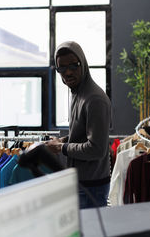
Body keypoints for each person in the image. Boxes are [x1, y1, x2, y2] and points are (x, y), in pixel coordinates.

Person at [45, 41, 112, 209]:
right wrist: (63, 141)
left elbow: (96, 149)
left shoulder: (94, 99)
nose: (67, 72)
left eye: (73, 66)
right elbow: (82, 133)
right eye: (62, 68)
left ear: (83, 64)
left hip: (91, 187)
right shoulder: (78, 92)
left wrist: (62, 148)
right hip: (83, 183)